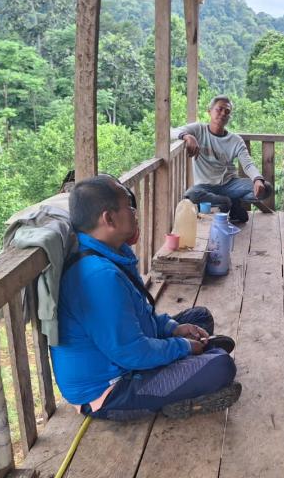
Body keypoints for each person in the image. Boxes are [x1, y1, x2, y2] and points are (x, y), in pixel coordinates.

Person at [50, 174, 242, 420]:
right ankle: (180, 387)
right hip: (112, 388)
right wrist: (182, 347)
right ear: (108, 218)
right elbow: (132, 353)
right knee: (222, 366)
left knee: (199, 317)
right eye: (129, 207)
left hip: (125, 356)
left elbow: (138, 312)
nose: (134, 212)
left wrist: (174, 329)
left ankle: (195, 358)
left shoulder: (108, 252)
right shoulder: (98, 276)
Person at [172, 95, 271, 223]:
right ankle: (228, 202)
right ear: (210, 111)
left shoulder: (235, 140)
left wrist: (257, 179)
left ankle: (231, 201)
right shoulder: (198, 130)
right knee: (191, 195)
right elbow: (170, 132)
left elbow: (248, 164)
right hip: (205, 187)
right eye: (219, 109)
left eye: (227, 111)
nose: (223, 113)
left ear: (229, 116)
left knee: (266, 188)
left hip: (230, 184)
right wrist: (187, 136)